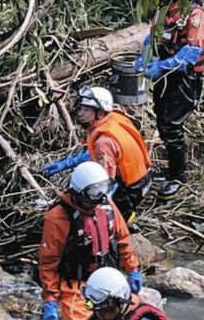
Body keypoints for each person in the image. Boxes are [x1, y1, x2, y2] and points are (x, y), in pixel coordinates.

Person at [38, 162, 141, 320]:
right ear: (78, 193)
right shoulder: (58, 218)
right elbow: (48, 262)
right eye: (93, 195)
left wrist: (132, 269)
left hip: (108, 282)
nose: (98, 200)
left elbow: (122, 238)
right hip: (75, 288)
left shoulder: (106, 205)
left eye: (101, 192)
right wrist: (50, 300)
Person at [134, 0, 204, 198]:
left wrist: (162, 66)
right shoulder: (163, 11)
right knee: (161, 120)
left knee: (172, 125)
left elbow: (191, 53)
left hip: (184, 79)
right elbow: (152, 40)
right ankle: (171, 170)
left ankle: (178, 176)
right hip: (164, 79)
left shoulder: (195, 15)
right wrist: (143, 59)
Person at [41, 86, 152, 221]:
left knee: (97, 218)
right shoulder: (114, 118)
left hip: (131, 190)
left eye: (86, 110)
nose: (80, 113)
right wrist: (66, 164)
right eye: (81, 108)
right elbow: (97, 153)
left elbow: (105, 183)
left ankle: (124, 216)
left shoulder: (103, 142)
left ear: (99, 113)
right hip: (142, 177)